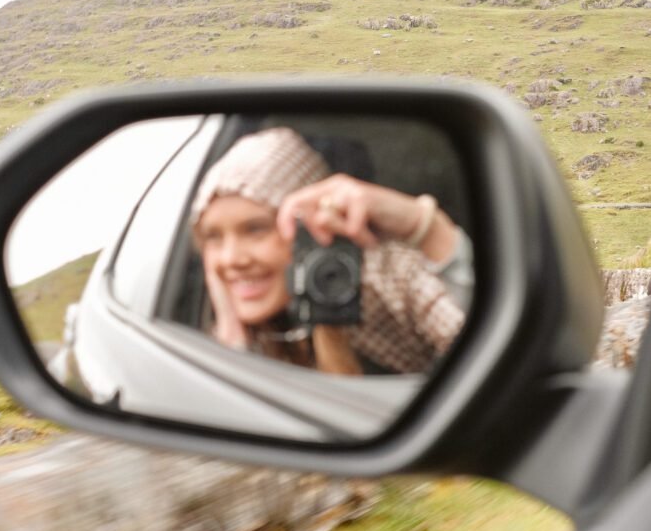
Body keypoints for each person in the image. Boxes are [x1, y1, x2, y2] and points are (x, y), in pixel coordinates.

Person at [190, 127, 472, 375]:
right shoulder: (237, 331)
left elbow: (484, 346)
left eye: (255, 229)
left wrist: (423, 225)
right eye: (213, 237)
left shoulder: (384, 277)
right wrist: (232, 341)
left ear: (312, 227)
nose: (231, 259)